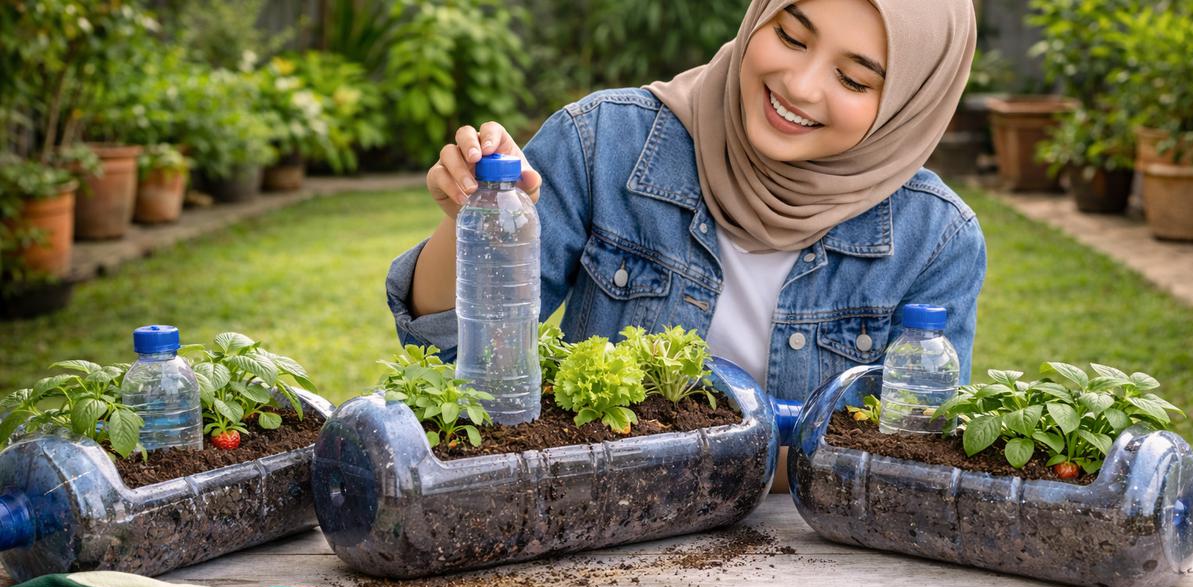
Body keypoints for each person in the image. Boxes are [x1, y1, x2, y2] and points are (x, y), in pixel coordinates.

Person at [387, 0, 985, 490]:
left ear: (911, 101)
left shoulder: (935, 240)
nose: (799, 86)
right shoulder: (602, 144)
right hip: (591, 527)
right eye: (792, 36)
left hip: (812, 573)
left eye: (854, 78)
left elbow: (908, 455)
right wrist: (466, 222)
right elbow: (457, 366)